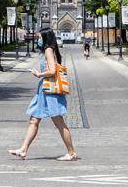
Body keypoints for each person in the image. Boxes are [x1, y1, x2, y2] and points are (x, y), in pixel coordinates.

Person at [8, 28, 79, 161]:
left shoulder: (49, 50)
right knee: (34, 120)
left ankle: (71, 152)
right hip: (43, 92)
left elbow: (52, 71)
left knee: (59, 123)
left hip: (50, 92)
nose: (38, 39)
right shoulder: (52, 50)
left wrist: (39, 74)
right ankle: (23, 150)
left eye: (40, 37)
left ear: (46, 38)